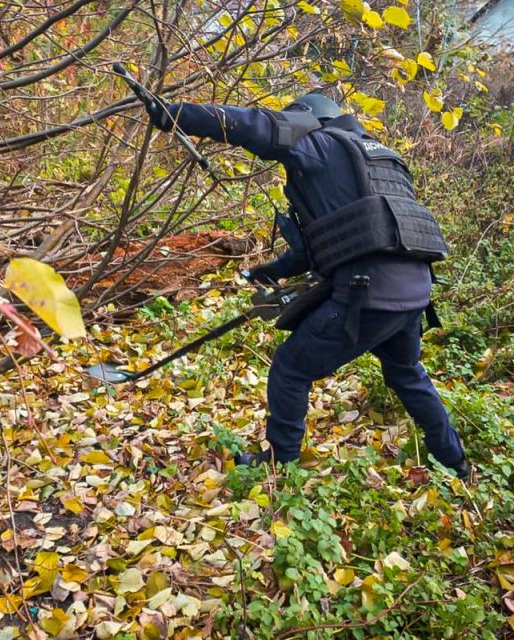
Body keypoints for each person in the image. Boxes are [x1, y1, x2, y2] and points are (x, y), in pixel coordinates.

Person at [144, 90, 470, 479]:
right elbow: (327, 246)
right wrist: (264, 272)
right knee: (406, 372)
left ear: (308, 119)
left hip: (369, 293)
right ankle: (456, 463)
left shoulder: (318, 142)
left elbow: (254, 125)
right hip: (415, 292)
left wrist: (175, 114)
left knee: (290, 367)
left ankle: (281, 467)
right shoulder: (379, 157)